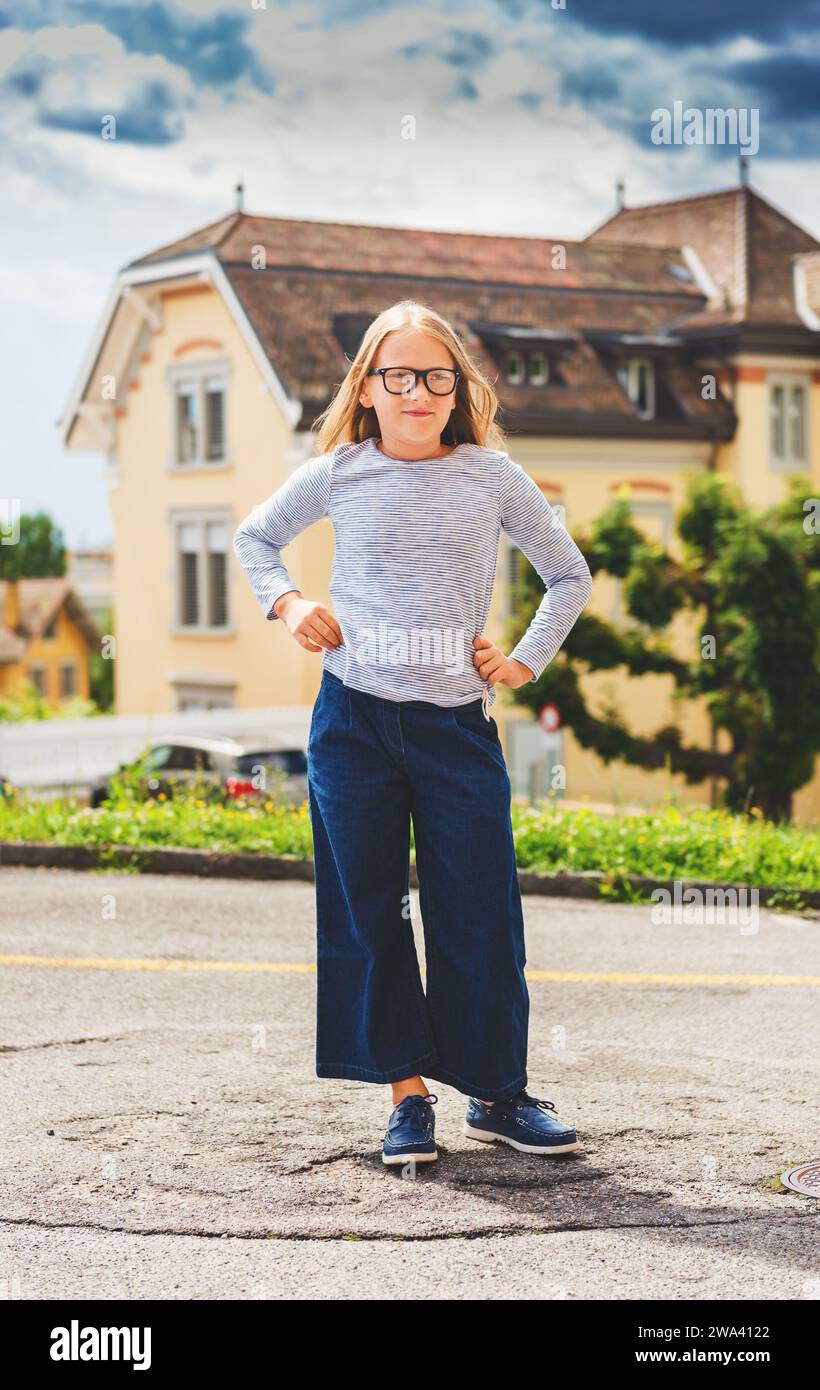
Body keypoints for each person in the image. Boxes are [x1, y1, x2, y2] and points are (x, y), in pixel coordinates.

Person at [233, 300, 592, 1167]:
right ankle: (407, 1098)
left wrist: (521, 662)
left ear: (458, 388)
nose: (418, 391)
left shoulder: (494, 476)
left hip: (455, 728)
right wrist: (290, 604)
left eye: (437, 376)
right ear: (368, 387)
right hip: (352, 721)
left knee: (479, 912)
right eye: (399, 375)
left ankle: (499, 1094)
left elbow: (567, 574)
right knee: (371, 911)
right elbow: (255, 537)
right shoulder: (338, 472)